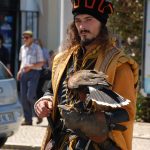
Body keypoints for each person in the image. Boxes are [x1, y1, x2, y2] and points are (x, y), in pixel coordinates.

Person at [34, 0, 139, 150]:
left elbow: (126, 113)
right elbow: (52, 90)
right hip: (59, 143)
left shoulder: (119, 65)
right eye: (78, 21)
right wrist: (44, 101)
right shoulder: (62, 59)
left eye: (89, 20)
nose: (82, 27)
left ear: (102, 24)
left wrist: (90, 121)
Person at [17, 30, 45, 125]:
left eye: (27, 37)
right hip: (24, 72)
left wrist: (31, 67)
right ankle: (28, 120)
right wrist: (20, 71)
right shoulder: (22, 48)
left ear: (31, 38)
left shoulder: (37, 48)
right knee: (23, 97)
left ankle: (38, 114)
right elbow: (22, 62)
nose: (25, 39)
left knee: (30, 96)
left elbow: (41, 63)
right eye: (23, 37)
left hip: (34, 72)